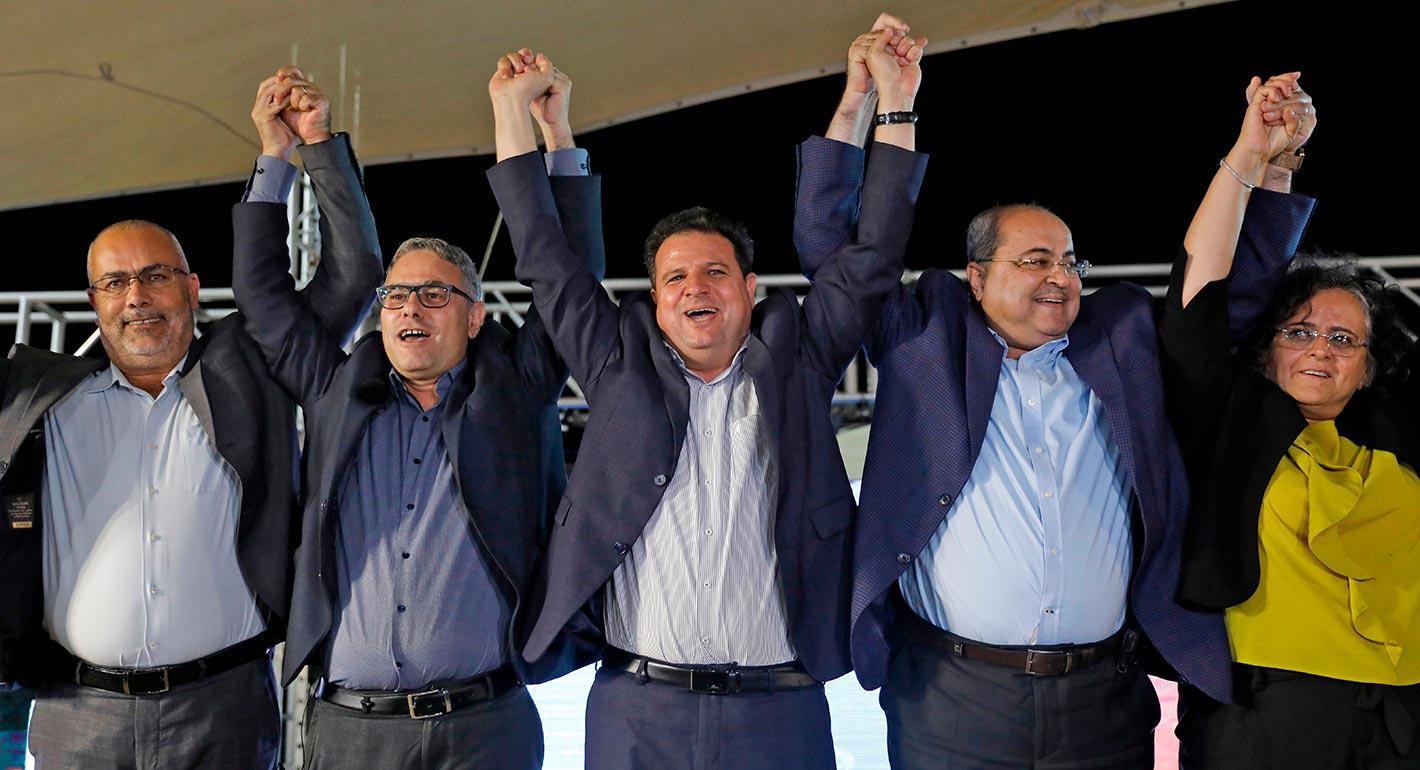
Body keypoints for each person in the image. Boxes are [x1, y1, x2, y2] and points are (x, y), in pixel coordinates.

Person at [794, 33, 1320, 766]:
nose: (1060, 277)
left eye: (1071, 262)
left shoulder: (1122, 341)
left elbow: (1226, 297)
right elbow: (833, 248)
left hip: (1104, 697)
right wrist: (874, 103)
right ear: (977, 277)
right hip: (949, 696)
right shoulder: (925, 338)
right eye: (1035, 260)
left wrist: (1272, 162)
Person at [487, 29, 927, 770]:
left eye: (716, 272)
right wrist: (516, 117)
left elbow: (875, 254)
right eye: (675, 277)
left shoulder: (800, 357)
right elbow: (545, 257)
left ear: (750, 290)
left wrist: (891, 101)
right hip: (637, 711)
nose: (696, 287)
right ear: (656, 300)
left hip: (779, 709)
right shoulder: (616, 362)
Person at [231, 52, 603, 770]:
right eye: (397, 296)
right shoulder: (334, 388)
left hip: (485, 725)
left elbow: (572, 280)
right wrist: (286, 154)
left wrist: (558, 141)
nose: (410, 309)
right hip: (351, 730)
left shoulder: (517, 388)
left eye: (435, 296)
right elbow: (264, 297)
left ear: (475, 317)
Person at [0, 68, 380, 769]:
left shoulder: (251, 370)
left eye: (157, 276)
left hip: (224, 708)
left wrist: (297, 152)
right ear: (94, 300)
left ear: (193, 288)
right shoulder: (37, 400)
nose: (137, 297)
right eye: (115, 282)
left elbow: (352, 276)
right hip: (75, 714)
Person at [1163, 74, 1419, 769]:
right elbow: (1203, 290)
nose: (1320, 350)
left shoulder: (1396, 437)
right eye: (1299, 331)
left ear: (1369, 365)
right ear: (1265, 347)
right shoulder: (1227, 419)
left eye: (1343, 339)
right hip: (1267, 712)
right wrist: (1257, 159)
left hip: (1402, 712)